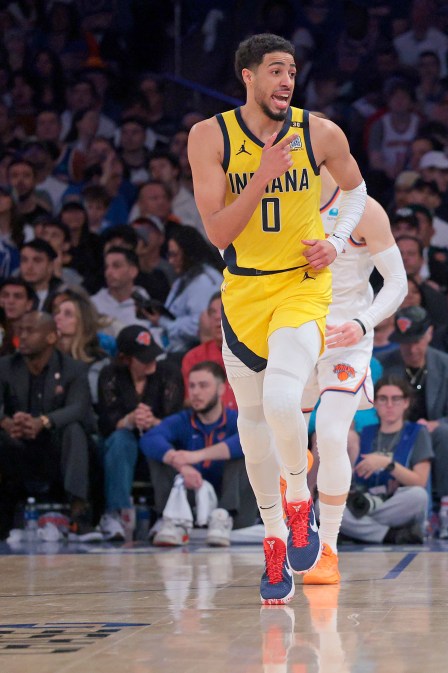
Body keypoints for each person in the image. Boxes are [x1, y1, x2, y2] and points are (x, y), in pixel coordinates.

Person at [187, 34, 368, 604]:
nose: (286, 81)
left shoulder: (320, 132)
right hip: (243, 294)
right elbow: (218, 233)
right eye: (274, 70)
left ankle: (299, 507)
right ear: (247, 76)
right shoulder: (208, 136)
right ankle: (273, 541)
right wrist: (264, 173)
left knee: (284, 402)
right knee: (252, 434)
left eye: (291, 71)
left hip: (302, 287)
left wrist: (337, 240)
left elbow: (359, 191)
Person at [300, 186, 406, 584]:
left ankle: (328, 548)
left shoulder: (362, 208)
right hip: (294, 334)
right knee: (286, 445)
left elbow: (397, 282)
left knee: (330, 436)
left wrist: (363, 323)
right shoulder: (278, 201)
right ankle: (291, 531)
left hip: (347, 339)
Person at [139, 361, 258, 547]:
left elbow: (250, 438)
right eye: (192, 386)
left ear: (220, 389)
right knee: (162, 455)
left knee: (246, 451)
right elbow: (150, 439)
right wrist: (180, 463)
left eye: (203, 386)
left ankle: (222, 516)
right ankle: (171, 520)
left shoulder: (236, 419)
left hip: (234, 505)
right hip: (191, 496)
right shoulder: (183, 420)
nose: (195, 392)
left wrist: (196, 456)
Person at [0, 312, 95, 536]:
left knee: (74, 429)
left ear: (51, 337)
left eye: (30, 331)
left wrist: (43, 422)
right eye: (19, 330)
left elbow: (78, 408)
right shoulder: (5, 366)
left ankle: (79, 512)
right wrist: (6, 422)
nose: (21, 337)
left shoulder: (74, 369)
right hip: (15, 444)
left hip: (55, 447)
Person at [379, 306, 448, 537]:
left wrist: (435, 424)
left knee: (446, 432)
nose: (412, 348)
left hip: (433, 430)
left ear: (429, 334)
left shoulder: (447, 365)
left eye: (417, 340)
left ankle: (447, 509)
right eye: (405, 342)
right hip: (396, 432)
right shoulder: (384, 363)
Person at [95, 326, 184, 541]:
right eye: (143, 358)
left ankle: (167, 515)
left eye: (152, 354)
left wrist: (154, 422)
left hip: (159, 438)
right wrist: (129, 420)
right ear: (126, 359)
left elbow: (177, 419)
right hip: (123, 442)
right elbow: (106, 422)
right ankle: (117, 513)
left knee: (159, 443)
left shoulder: (168, 372)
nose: (151, 361)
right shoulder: (110, 375)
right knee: (119, 440)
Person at [340, 375, 432, 544]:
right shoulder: (366, 433)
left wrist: (386, 464)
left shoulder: (417, 433)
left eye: (396, 399)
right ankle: (389, 535)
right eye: (383, 399)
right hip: (365, 502)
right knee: (321, 507)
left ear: (406, 403)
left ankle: (358, 530)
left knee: (419, 496)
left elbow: (420, 481)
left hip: (395, 504)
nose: (389, 405)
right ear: (374, 403)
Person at [139, 226, 223, 353]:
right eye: (169, 255)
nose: (170, 261)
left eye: (174, 255)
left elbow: (199, 325)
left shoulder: (204, 281)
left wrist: (162, 322)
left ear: (188, 252)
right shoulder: (185, 277)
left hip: (191, 350)